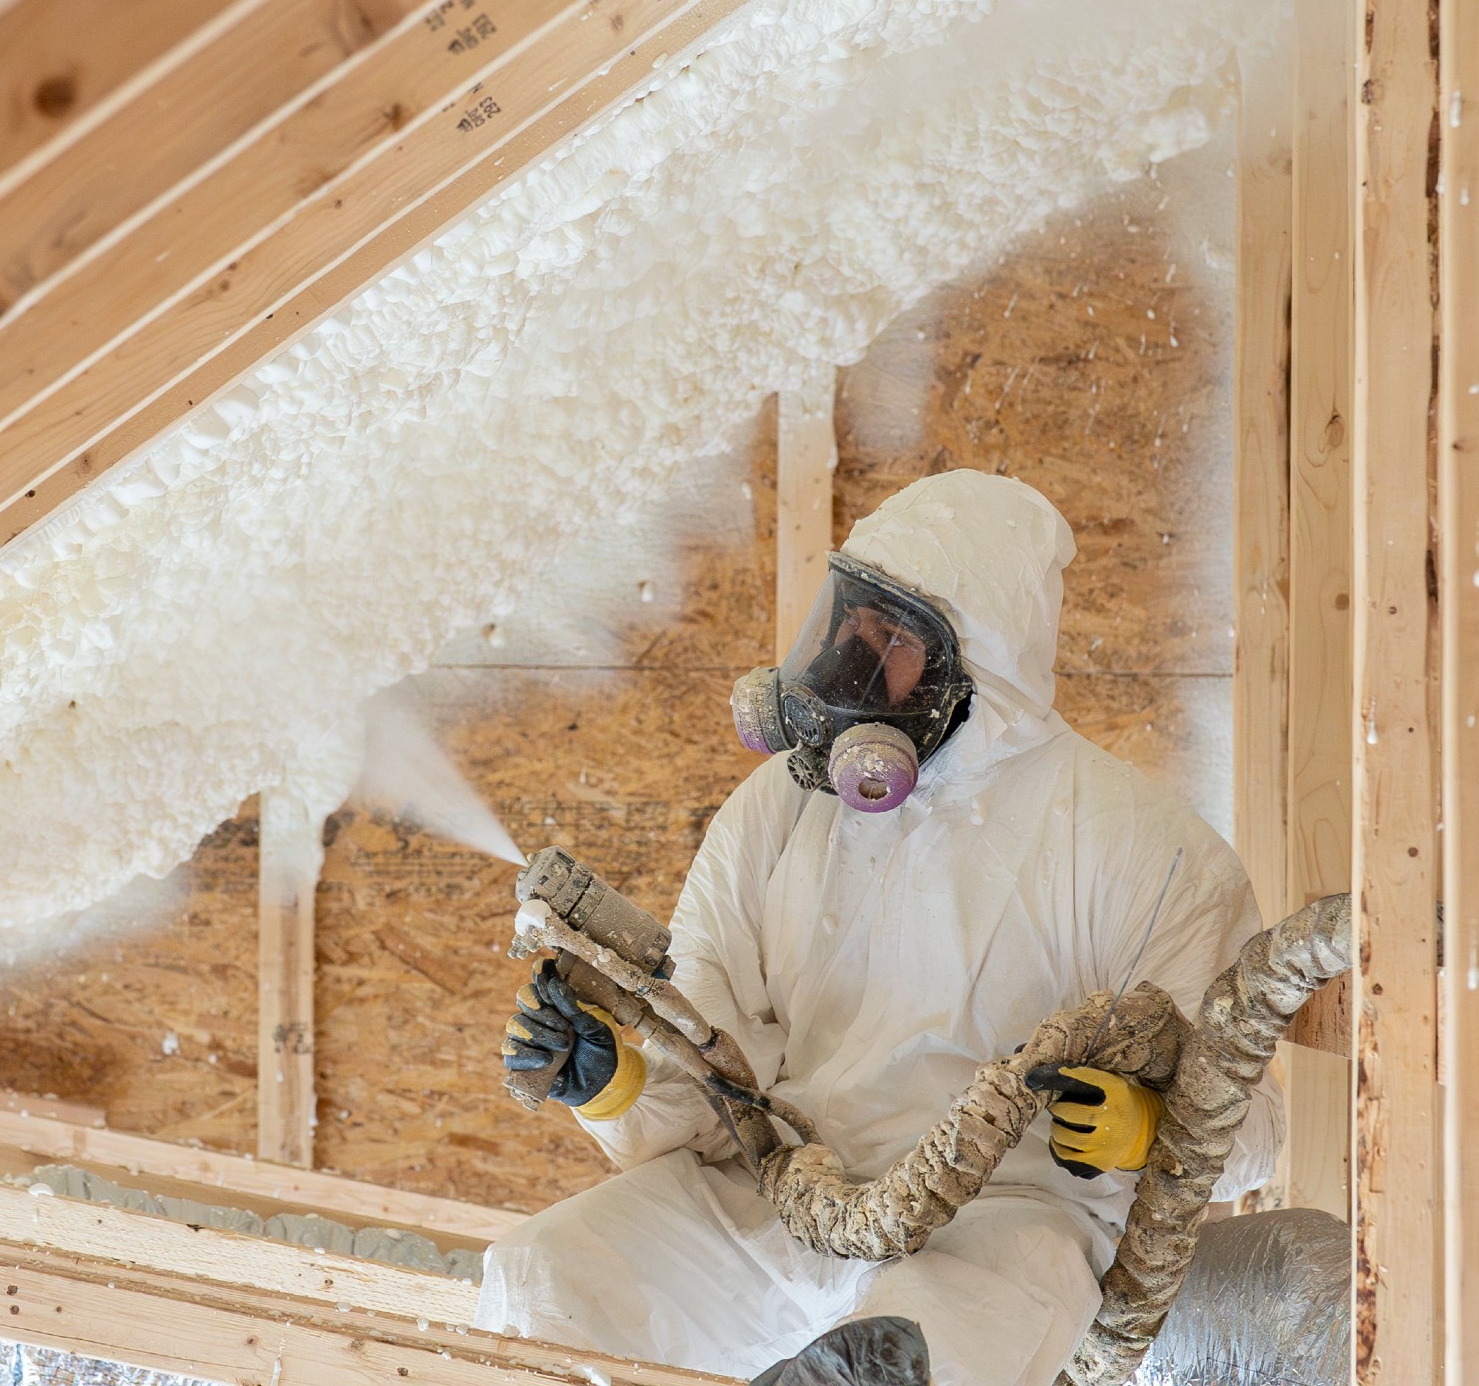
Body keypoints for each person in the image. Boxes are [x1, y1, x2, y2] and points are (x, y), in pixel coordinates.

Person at [477, 469, 1281, 1386]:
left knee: (910, 1360)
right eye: (847, 623)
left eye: (892, 637)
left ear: (977, 672)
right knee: (542, 1279)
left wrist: (1154, 1129)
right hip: (780, 1199)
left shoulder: (1142, 849)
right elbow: (721, 1063)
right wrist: (622, 1081)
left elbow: (1252, 1117)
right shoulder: (778, 813)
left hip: (998, 1230)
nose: (851, 664)